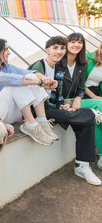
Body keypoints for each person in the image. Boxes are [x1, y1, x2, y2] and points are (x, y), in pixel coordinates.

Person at [29, 36, 101, 186]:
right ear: (47, 50)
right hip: (40, 111)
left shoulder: (58, 67)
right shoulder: (42, 65)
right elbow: (34, 76)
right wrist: (60, 103)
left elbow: (57, 92)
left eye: (61, 48)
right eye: (56, 48)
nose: (59, 51)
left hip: (54, 106)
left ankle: (82, 165)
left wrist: (63, 103)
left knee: (85, 120)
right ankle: (93, 114)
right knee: (87, 115)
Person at [0, 38, 58, 146]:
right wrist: (40, 82)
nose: (9, 52)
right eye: (6, 49)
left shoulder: (7, 67)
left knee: (30, 77)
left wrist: (45, 79)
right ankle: (30, 125)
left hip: (8, 113)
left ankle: (42, 121)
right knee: (18, 82)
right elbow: (13, 80)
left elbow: (30, 72)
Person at [61, 33, 102, 171]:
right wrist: (66, 100)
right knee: (99, 108)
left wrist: (78, 98)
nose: (76, 45)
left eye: (79, 42)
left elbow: (79, 86)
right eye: (73, 42)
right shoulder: (59, 61)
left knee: (96, 117)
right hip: (64, 101)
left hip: (77, 99)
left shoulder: (80, 64)